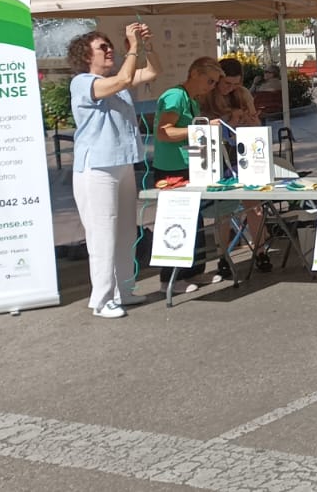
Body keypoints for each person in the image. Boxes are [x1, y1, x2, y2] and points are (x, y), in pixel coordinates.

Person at [67, 23, 159, 318]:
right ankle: (102, 299)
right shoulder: (82, 82)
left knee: (124, 231)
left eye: (110, 46)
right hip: (97, 167)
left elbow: (152, 72)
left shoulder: (117, 81)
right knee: (102, 233)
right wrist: (131, 48)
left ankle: (124, 290)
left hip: (122, 163)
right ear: (85, 56)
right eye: (102, 48)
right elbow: (121, 80)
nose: (109, 51)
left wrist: (146, 46)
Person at [151, 56, 226, 292]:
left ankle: (193, 272)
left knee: (195, 220)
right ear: (195, 73)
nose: (211, 86)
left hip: (187, 164)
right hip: (171, 168)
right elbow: (165, 133)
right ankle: (169, 279)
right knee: (177, 220)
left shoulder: (190, 99)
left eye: (215, 82)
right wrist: (199, 129)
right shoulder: (175, 96)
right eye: (209, 80)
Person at [200, 58, 270, 273]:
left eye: (236, 84)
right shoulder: (206, 99)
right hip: (218, 159)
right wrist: (230, 117)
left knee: (254, 206)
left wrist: (249, 120)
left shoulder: (241, 95)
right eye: (227, 84)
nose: (231, 88)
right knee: (223, 210)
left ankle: (260, 251)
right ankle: (223, 255)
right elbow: (204, 127)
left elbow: (256, 125)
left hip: (244, 156)